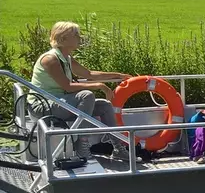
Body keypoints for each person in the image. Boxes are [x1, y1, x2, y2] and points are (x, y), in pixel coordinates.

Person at [27, 21, 132, 160]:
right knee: (86, 96)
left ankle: (118, 148)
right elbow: (68, 86)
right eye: (76, 34)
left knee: (105, 106)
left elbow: (88, 74)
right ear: (63, 39)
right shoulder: (50, 59)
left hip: (59, 103)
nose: (79, 37)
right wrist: (99, 86)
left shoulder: (66, 58)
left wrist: (118, 76)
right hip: (42, 106)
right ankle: (81, 145)